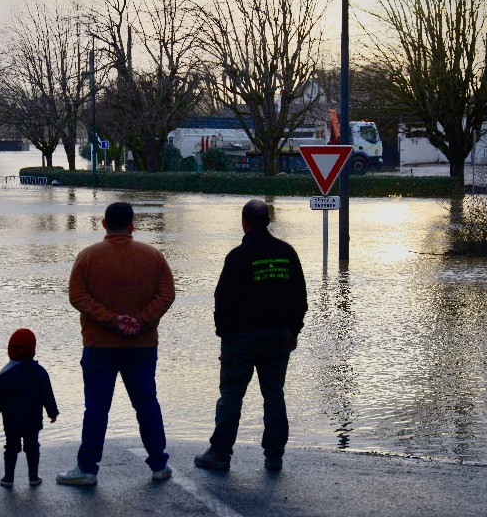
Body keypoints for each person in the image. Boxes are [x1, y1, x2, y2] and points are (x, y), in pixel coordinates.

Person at [57, 201, 176, 486]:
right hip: (142, 345)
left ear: (103, 224)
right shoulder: (154, 257)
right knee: (147, 404)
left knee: (97, 409)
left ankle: (87, 469)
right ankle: (159, 463)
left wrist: (112, 320)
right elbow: (167, 293)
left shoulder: (87, 257)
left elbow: (77, 296)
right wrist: (142, 320)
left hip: (100, 346)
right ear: (132, 225)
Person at [194, 199, 308, 472]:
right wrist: (293, 330)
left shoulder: (238, 256)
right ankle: (274, 456)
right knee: (274, 394)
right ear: (268, 221)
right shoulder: (287, 252)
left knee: (232, 396)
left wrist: (225, 334)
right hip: (279, 338)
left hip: (241, 340)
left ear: (244, 223)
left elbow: (222, 299)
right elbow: (300, 298)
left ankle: (220, 453)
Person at [0, 328, 59, 487]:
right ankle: (33, 477)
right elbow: (47, 394)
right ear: (32, 349)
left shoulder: (5, 374)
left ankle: (8, 478)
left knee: (11, 447)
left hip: (11, 419)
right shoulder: (39, 372)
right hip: (32, 419)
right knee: (32, 446)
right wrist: (52, 412)